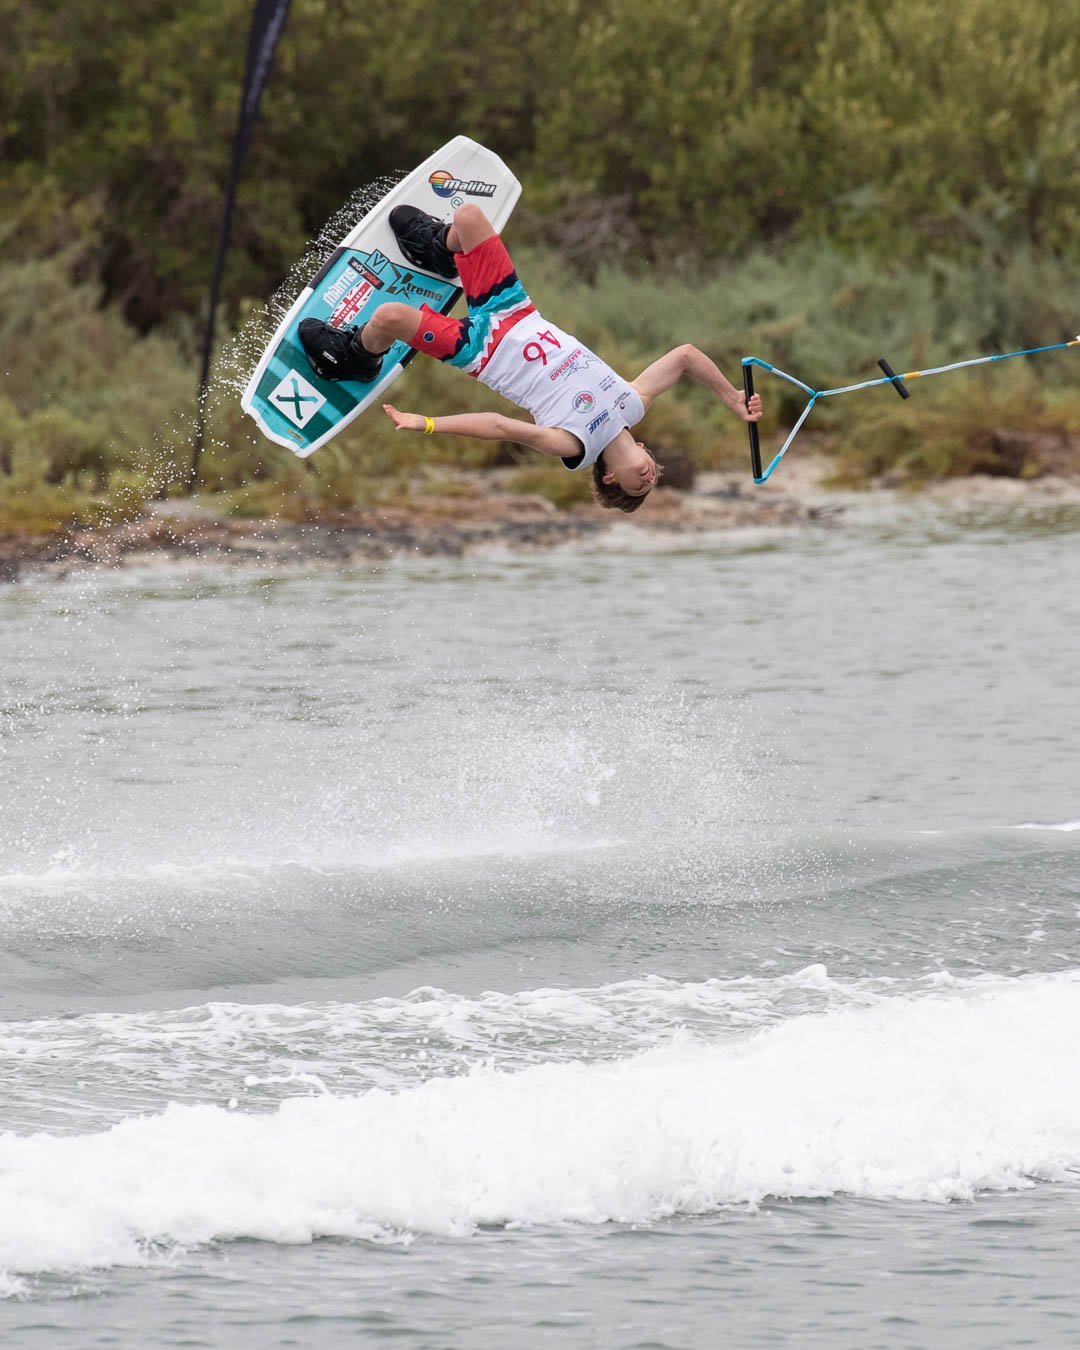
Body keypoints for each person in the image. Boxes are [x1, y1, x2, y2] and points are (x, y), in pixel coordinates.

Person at [298, 203, 763, 512]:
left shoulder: (575, 447)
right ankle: (443, 251)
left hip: (481, 351)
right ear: (644, 451)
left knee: (389, 318)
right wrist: (730, 398)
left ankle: (356, 357)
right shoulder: (631, 402)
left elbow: (500, 427)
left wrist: (430, 423)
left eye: (638, 485)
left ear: (610, 477)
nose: (647, 475)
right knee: (470, 215)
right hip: (512, 307)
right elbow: (684, 356)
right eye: (652, 475)